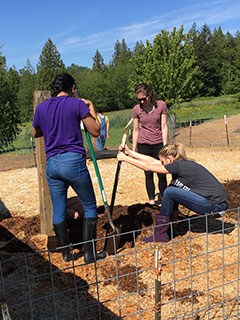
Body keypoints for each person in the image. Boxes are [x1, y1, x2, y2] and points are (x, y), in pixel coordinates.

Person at [32, 73, 106, 263]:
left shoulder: (41, 108)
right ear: (72, 88)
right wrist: (90, 106)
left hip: (52, 165)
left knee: (58, 209)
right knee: (90, 206)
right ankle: (89, 255)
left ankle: (66, 254)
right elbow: (96, 131)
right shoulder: (76, 104)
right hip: (73, 161)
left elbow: (36, 132)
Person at [117, 143, 228, 243]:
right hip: (213, 204)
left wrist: (125, 159)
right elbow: (151, 161)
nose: (161, 164)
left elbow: (149, 167)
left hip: (214, 206)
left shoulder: (179, 165)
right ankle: (172, 228)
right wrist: (129, 153)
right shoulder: (179, 164)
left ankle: (160, 234)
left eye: (163, 162)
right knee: (172, 189)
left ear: (170, 159)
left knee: (170, 192)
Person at [132, 83, 168, 205]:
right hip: (144, 144)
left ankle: (164, 198)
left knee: (162, 174)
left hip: (158, 144)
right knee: (148, 174)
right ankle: (151, 200)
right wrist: (133, 150)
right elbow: (136, 129)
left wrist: (165, 145)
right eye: (139, 99)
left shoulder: (161, 105)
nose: (142, 101)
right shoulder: (137, 110)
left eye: (144, 98)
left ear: (150, 95)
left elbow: (164, 126)